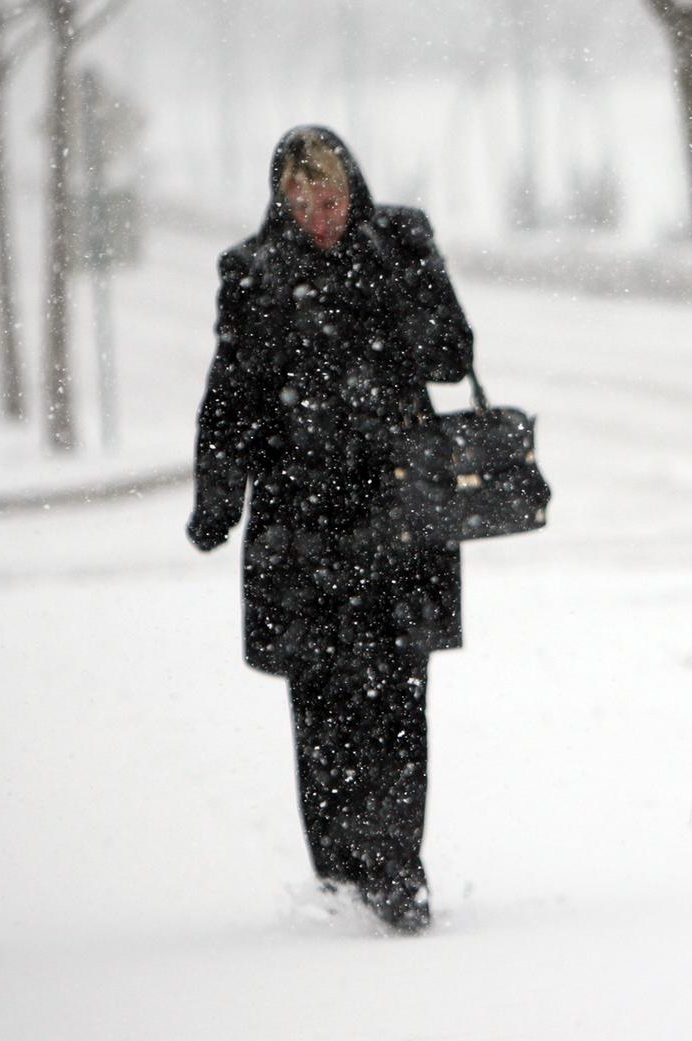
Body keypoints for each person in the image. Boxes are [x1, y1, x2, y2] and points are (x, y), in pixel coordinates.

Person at [187, 125, 473, 934]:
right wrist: (218, 497)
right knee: (322, 707)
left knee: (398, 699)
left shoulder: (401, 243)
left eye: (334, 200)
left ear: (356, 188)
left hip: (399, 518)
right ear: (281, 201)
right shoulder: (254, 273)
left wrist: (392, 292)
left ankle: (397, 872)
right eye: (304, 204)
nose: (322, 218)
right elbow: (232, 395)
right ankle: (342, 878)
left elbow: (452, 354)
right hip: (301, 526)